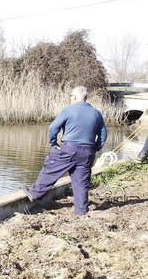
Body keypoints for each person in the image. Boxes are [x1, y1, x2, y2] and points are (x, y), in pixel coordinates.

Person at [25, 86, 107, 216]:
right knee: (81, 182)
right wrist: (96, 147)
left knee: (51, 168)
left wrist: (53, 143)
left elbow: (53, 128)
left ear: (75, 97)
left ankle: (35, 192)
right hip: (88, 151)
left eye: (70, 95)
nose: (70, 98)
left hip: (69, 148)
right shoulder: (96, 113)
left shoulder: (68, 110)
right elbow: (103, 134)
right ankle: (81, 211)